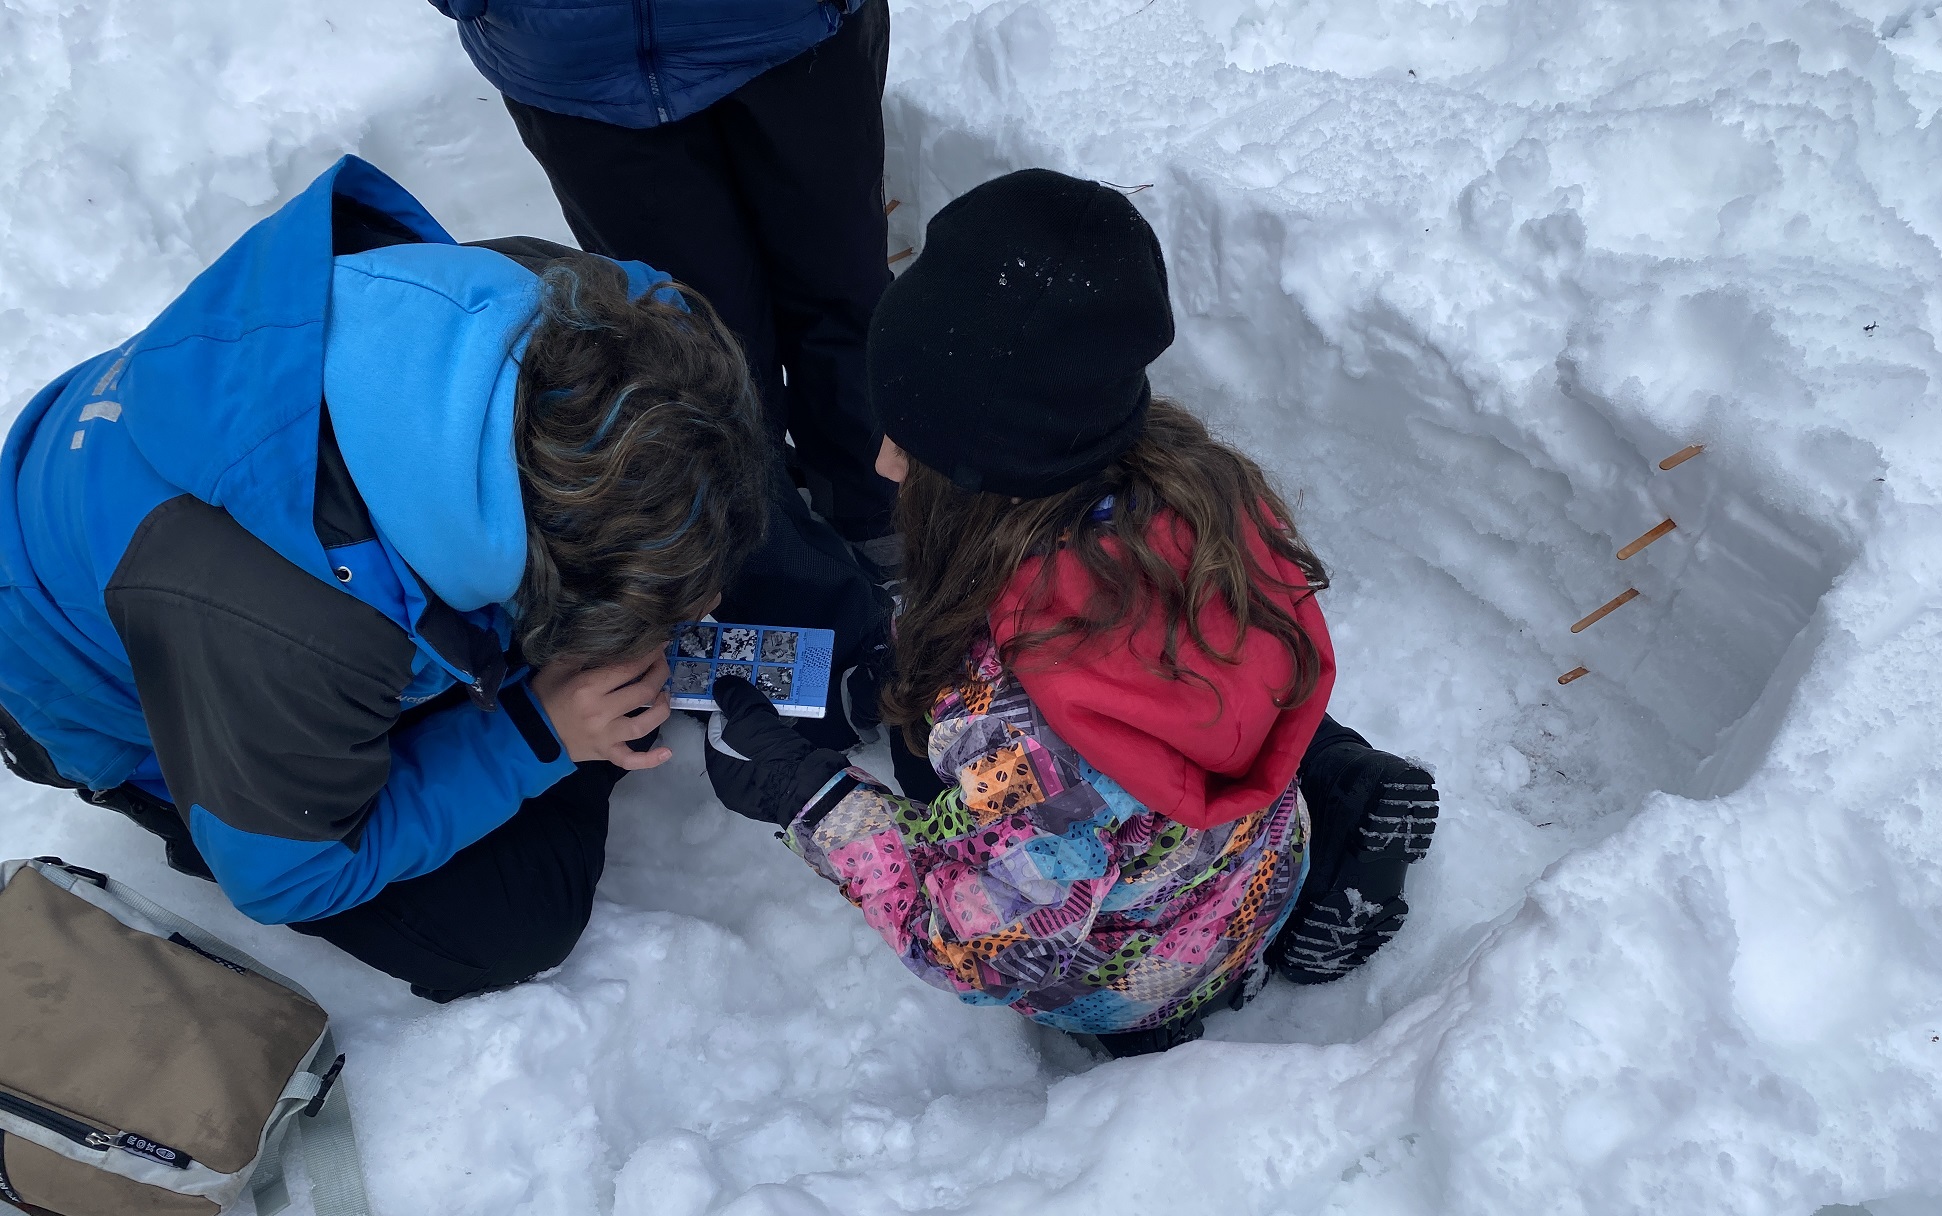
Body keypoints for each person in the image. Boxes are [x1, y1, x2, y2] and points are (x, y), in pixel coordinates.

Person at [0, 155, 785, 1002]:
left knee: (684, 541)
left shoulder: (558, 306)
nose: (700, 613)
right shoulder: (282, 631)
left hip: (223, 524)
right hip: (138, 702)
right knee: (513, 920)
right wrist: (539, 732)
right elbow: (290, 875)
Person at [700, 170, 1439, 1056]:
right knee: (1180, 684)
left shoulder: (1016, 733)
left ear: (987, 469)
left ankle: (1162, 1028)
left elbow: (974, 943)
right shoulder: (1204, 490)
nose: (887, 467)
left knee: (952, 771)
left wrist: (806, 796)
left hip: (1141, 972)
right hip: (1262, 856)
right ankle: (1342, 782)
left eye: (914, 443)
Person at [431, 0, 900, 556]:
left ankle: (874, 514)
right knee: (691, 342)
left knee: (838, 288)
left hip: (790, 28)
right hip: (578, 63)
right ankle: (769, 556)